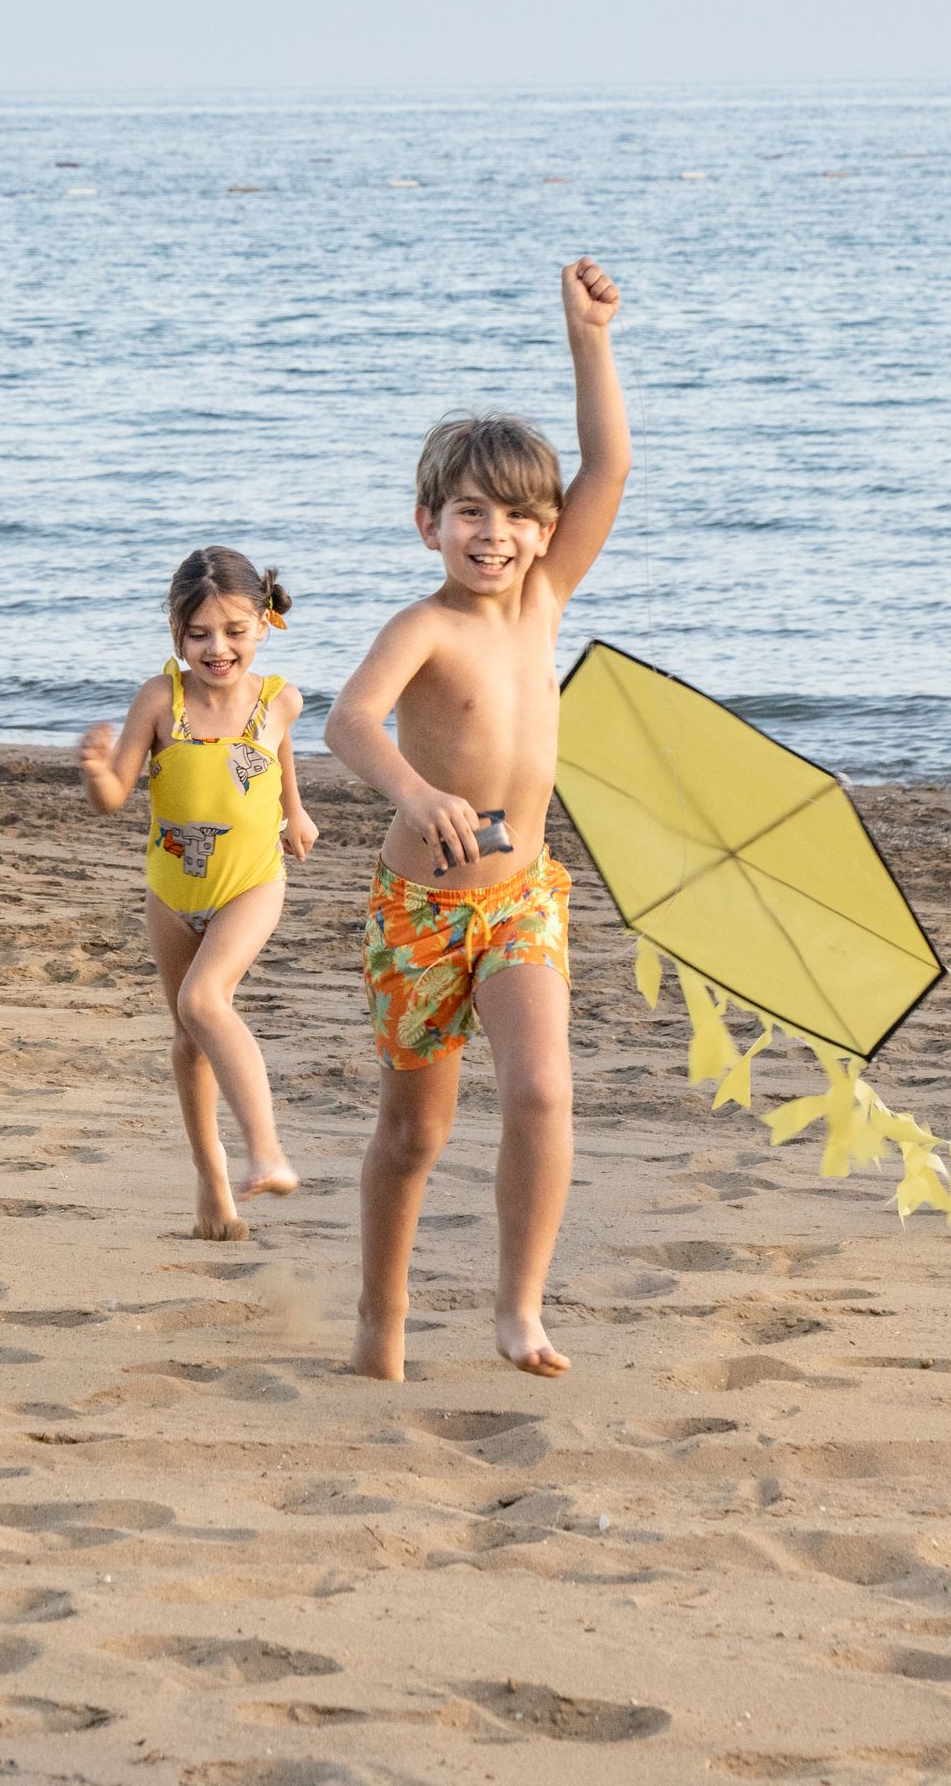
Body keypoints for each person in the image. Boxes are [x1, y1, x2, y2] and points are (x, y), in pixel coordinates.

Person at [324, 258, 628, 1379]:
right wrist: (416, 789)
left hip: (522, 903)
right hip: (418, 911)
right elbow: (350, 724)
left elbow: (611, 465)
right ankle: (381, 1318)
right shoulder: (424, 628)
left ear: (544, 533)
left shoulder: (544, 601)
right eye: (468, 514)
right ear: (427, 524)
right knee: (414, 1137)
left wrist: (588, 339)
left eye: (514, 516)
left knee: (543, 1088)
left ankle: (518, 1309)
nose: (492, 535)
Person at [80, 548, 317, 1240]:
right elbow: (116, 796)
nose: (218, 648)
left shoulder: (280, 699)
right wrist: (98, 773)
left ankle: (265, 1149)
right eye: (200, 634)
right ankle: (212, 1183)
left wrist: (295, 812)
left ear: (262, 627)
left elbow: (278, 758)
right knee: (188, 1037)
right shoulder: (162, 701)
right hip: (171, 890)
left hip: (251, 881)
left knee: (204, 1000)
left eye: (235, 631)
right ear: (177, 635)